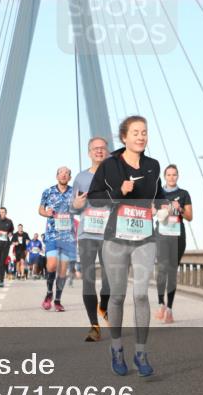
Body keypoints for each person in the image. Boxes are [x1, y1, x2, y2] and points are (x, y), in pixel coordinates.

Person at [87, 116, 167, 377]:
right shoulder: (110, 165)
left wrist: (165, 205)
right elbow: (94, 199)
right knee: (118, 296)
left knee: (141, 295)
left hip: (144, 238)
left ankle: (141, 353)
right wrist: (118, 192)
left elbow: (159, 195)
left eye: (144, 132)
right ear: (124, 137)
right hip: (115, 239)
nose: (141, 137)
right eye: (135, 132)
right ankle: (117, 347)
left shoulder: (153, 166)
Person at [72, 136, 112, 341]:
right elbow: (72, 207)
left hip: (109, 234)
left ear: (107, 151)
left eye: (102, 148)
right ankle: (94, 326)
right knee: (88, 279)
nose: (99, 151)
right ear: (89, 153)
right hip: (87, 234)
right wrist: (76, 205)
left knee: (109, 279)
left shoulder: (115, 176)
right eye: (95, 148)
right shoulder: (80, 178)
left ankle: (104, 305)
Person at [155, 164, 193, 325]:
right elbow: (151, 211)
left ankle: (169, 309)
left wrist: (180, 209)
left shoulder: (184, 194)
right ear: (165, 176)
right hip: (162, 236)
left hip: (177, 236)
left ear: (178, 176)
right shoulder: (158, 193)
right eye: (169, 175)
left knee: (172, 271)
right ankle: (160, 303)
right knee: (162, 269)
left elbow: (190, 217)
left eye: (174, 174)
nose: (171, 177)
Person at [40, 167, 78, 312]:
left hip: (68, 236)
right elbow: (40, 210)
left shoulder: (74, 192)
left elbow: (81, 207)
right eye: (61, 173)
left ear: (70, 178)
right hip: (52, 234)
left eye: (67, 173)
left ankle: (57, 300)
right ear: (56, 176)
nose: (63, 175)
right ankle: (49, 292)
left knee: (62, 271)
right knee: (51, 266)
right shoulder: (48, 192)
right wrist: (46, 213)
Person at [0, 207, 15, 288]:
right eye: (0, 212)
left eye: (3, 212)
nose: (2, 213)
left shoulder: (9, 221)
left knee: (2, 263)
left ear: (6, 213)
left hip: (5, 245)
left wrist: (10, 233)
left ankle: (1, 280)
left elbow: (12, 230)